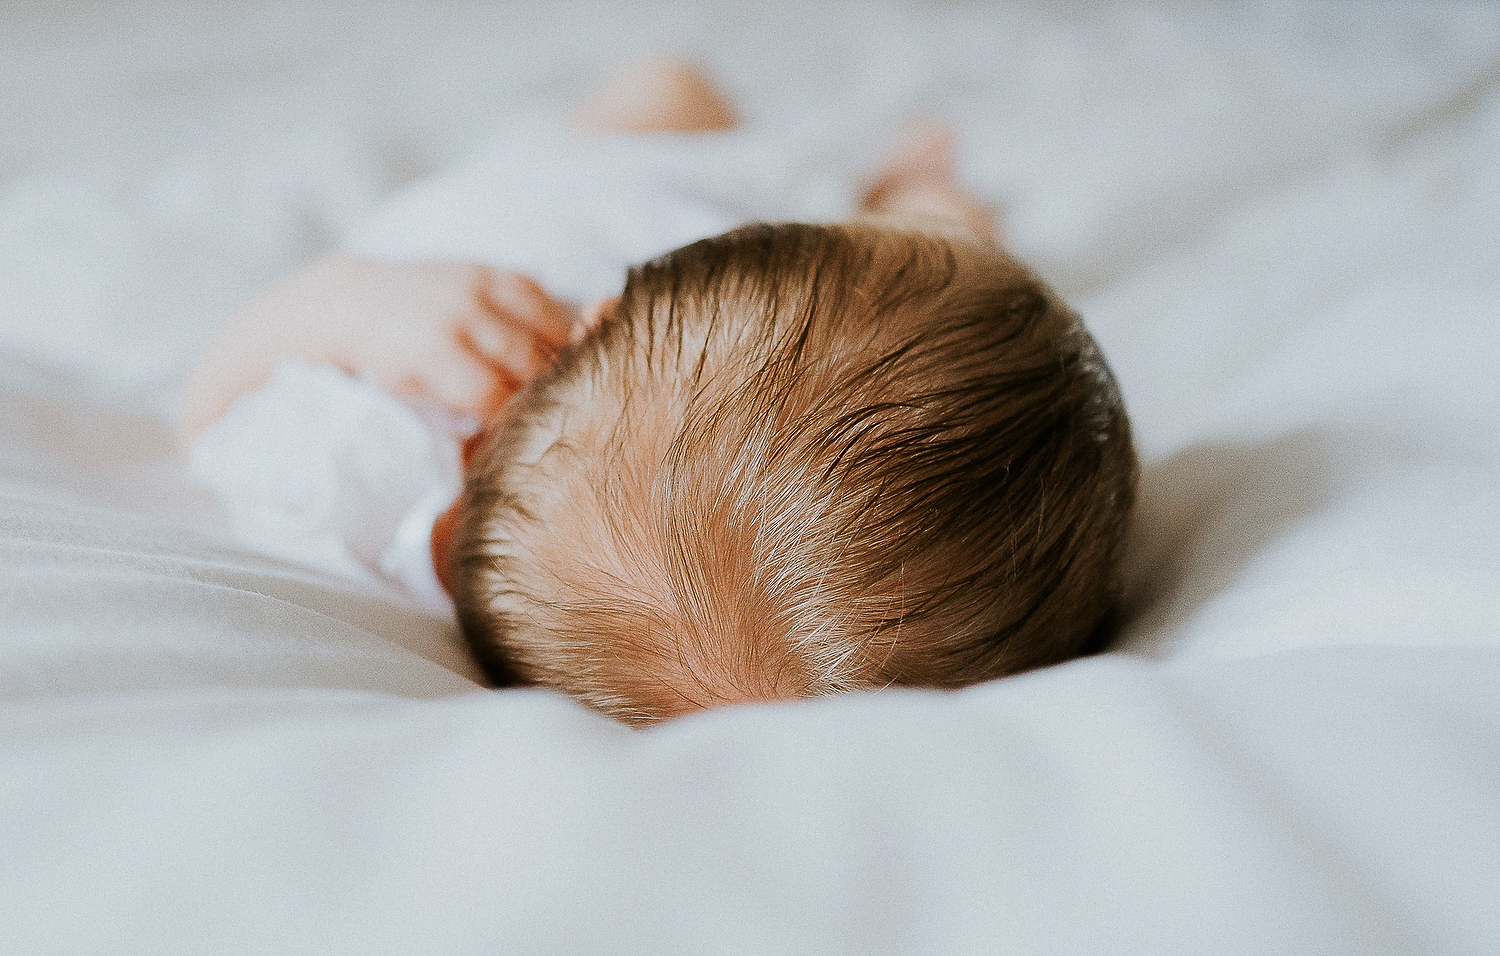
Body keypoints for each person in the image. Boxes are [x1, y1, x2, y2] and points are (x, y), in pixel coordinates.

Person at [182, 58, 1137, 724]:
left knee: (662, 91)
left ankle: (918, 207)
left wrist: (348, 306)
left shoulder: (363, 471)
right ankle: (920, 210)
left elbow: (206, 402)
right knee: (899, 269)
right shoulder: (600, 542)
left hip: (575, 189)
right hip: (701, 217)